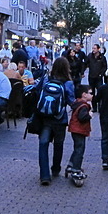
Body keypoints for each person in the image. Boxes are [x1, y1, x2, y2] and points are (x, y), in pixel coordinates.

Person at [35, 56, 75, 185]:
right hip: (60, 118)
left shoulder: (47, 79)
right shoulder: (68, 83)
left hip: (45, 118)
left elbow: (38, 92)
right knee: (59, 145)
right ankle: (56, 168)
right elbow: (71, 101)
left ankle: (44, 175)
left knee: (43, 144)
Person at [66, 84, 93, 177]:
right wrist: (89, 115)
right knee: (80, 149)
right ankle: (76, 168)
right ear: (84, 94)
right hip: (79, 130)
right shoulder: (83, 106)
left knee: (77, 148)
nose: (92, 95)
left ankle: (71, 164)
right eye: (90, 93)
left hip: (75, 129)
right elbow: (82, 117)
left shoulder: (78, 103)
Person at [85, 43, 107, 112]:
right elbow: (86, 63)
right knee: (92, 93)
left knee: (100, 91)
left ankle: (100, 106)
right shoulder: (90, 56)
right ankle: (94, 107)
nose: (93, 50)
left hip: (98, 77)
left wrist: (101, 74)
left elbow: (105, 66)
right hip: (91, 77)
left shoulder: (102, 57)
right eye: (93, 48)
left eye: (94, 48)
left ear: (98, 49)